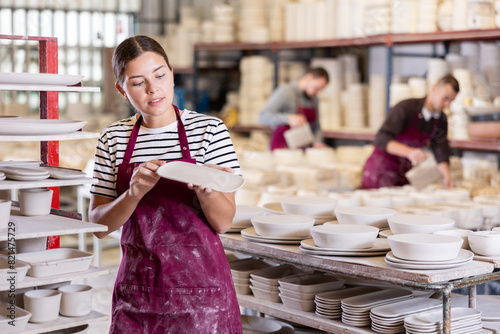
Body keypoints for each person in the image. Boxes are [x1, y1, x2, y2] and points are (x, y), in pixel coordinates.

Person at [88, 35, 243, 334]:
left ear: (172, 74)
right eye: (137, 82)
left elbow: (223, 222)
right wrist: (133, 194)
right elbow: (98, 225)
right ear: (122, 90)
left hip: (203, 294)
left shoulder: (208, 131)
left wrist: (205, 188)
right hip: (138, 292)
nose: (152, 88)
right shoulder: (113, 138)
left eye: (159, 75)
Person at [362, 75, 459, 189]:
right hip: (380, 171)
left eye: (451, 101)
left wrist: (446, 175)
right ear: (434, 88)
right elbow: (381, 138)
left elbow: (441, 148)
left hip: (402, 175)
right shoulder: (406, 108)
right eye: (445, 98)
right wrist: (409, 152)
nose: (447, 105)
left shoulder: (440, 119)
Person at [258, 67, 330, 150]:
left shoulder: (314, 99)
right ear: (309, 77)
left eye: (321, 90)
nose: (318, 92)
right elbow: (262, 117)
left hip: (301, 150)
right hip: (280, 150)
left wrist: (318, 142)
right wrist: (288, 118)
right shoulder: (285, 92)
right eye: (317, 88)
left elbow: (316, 126)